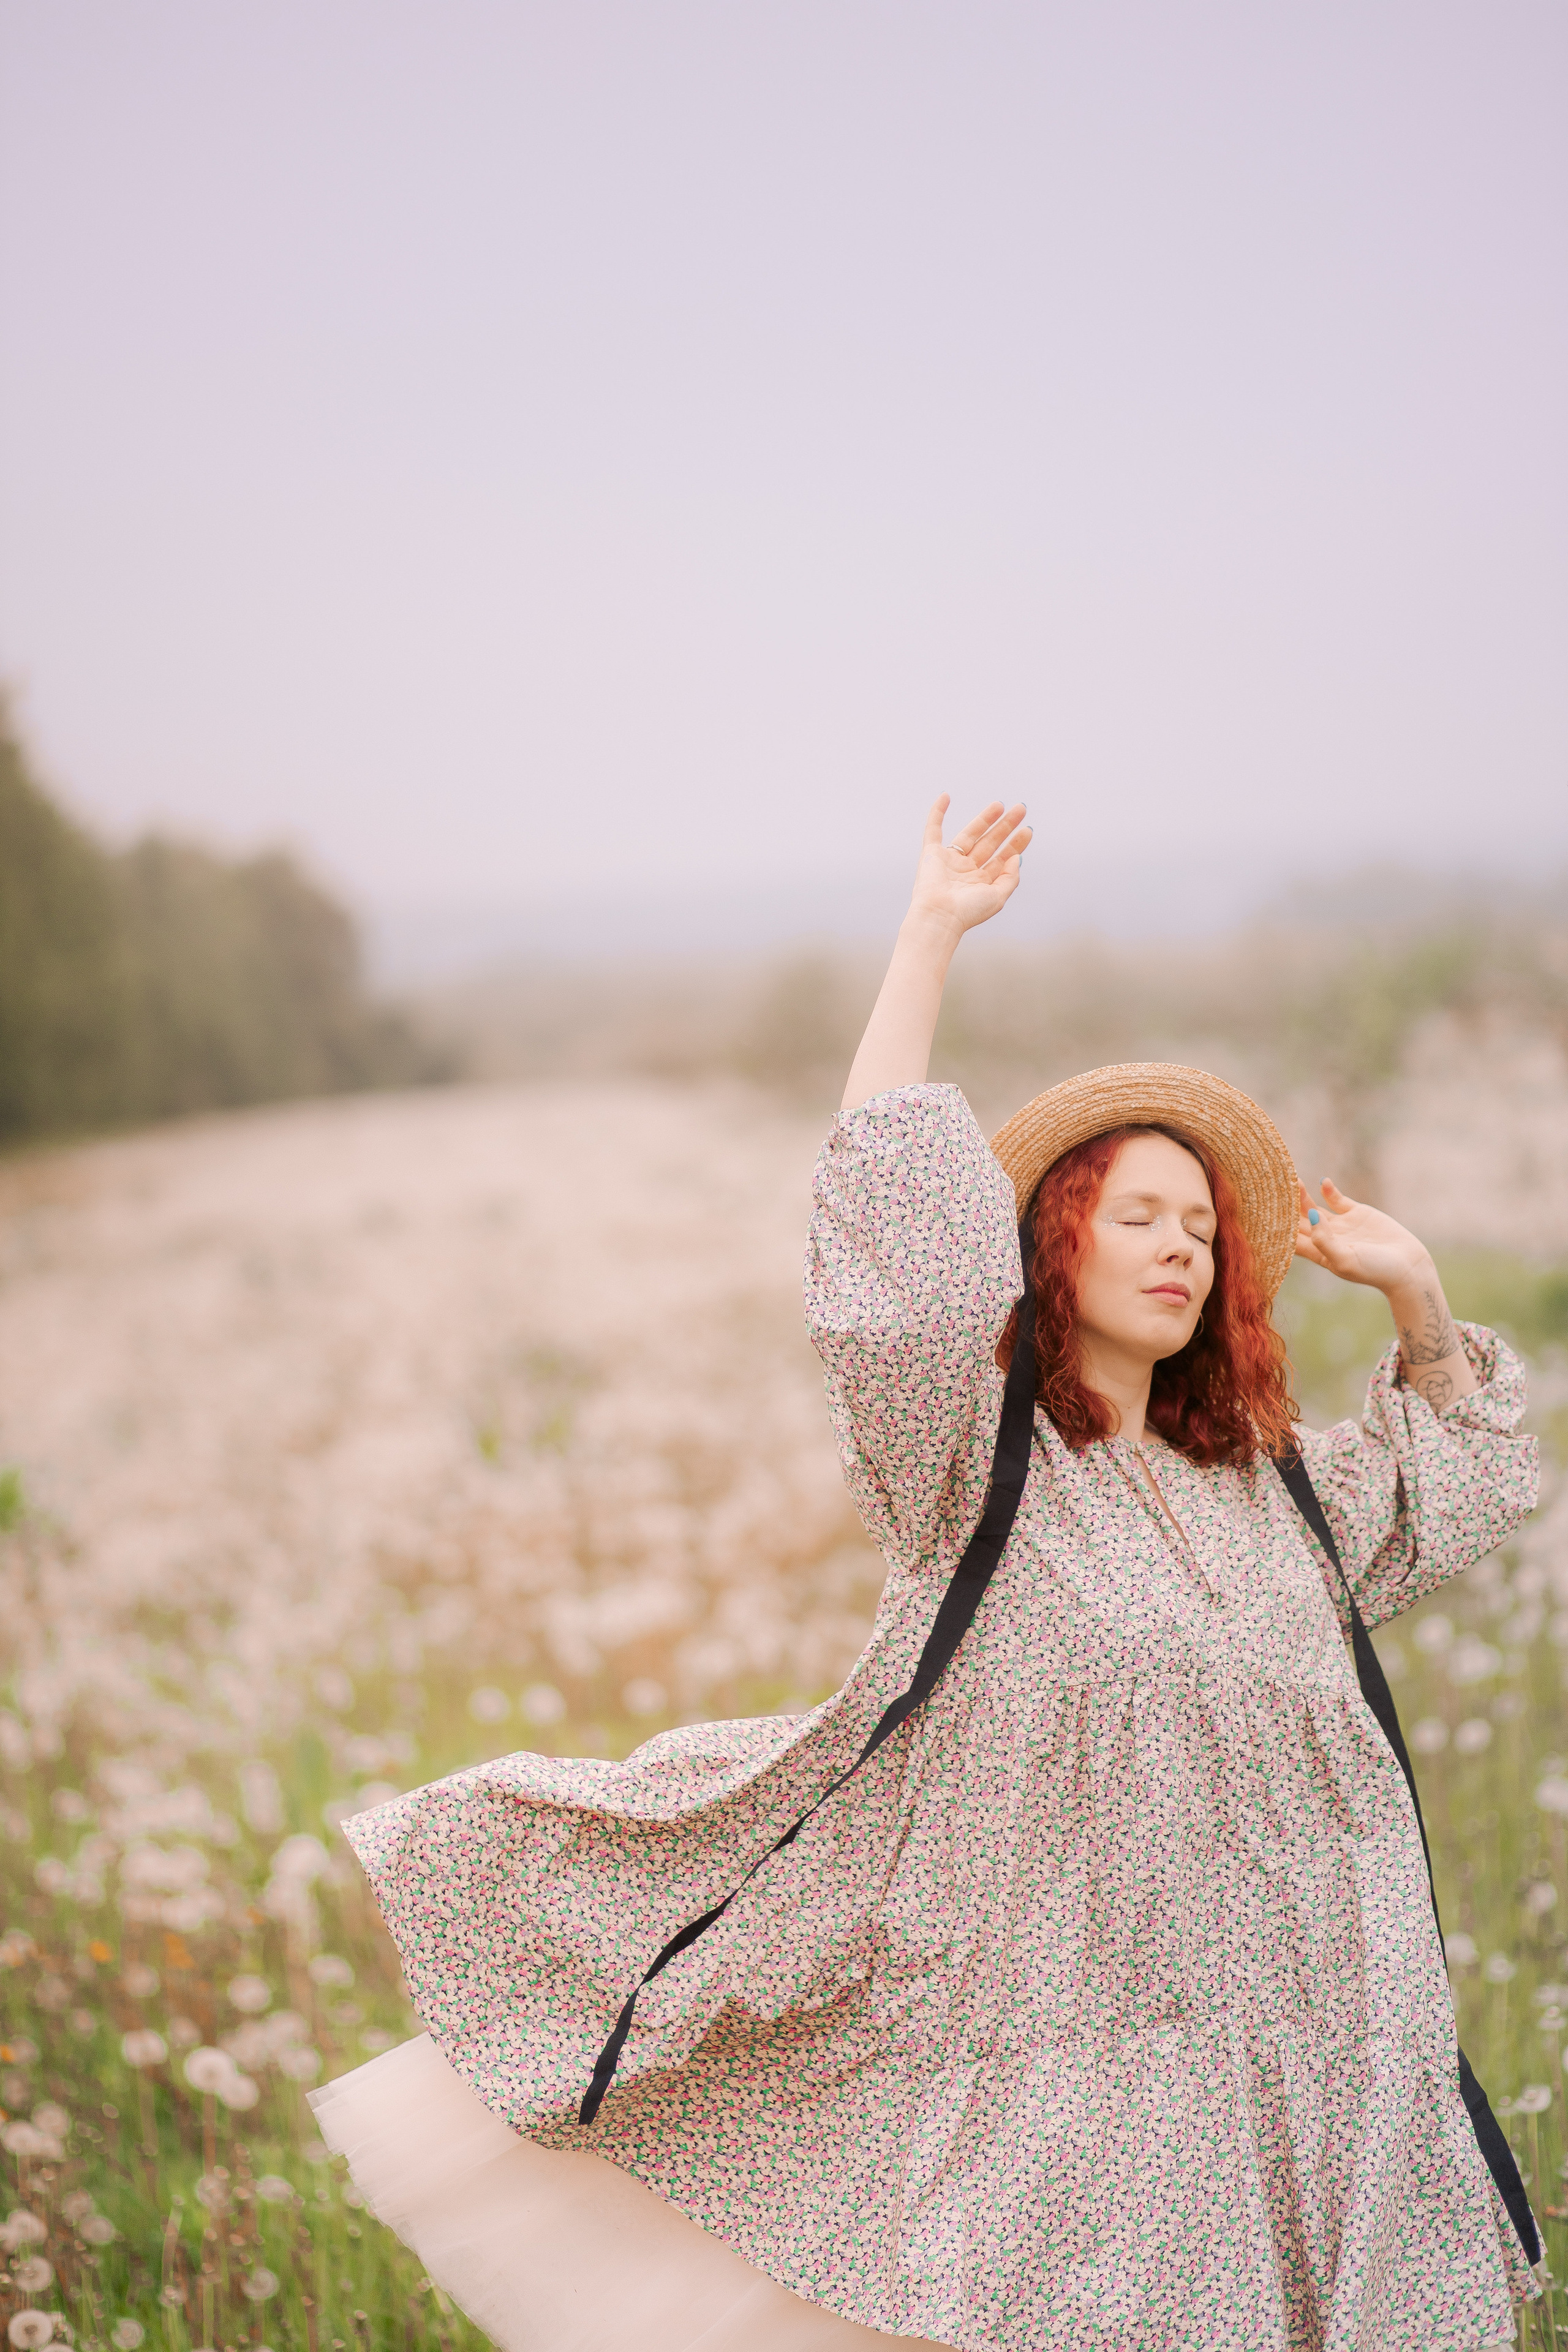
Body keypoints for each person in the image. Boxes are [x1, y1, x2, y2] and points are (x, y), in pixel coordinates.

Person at [313, 800, 1541, 2351]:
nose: (1178, 1247)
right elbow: (891, 1265)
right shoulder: (976, 1462)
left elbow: (1459, 1486)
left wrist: (1417, 1295)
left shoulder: (1267, 1490)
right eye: (1135, 1216)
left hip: (1313, 2058)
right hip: (1081, 2067)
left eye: (1199, 1228)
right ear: (1052, 1244)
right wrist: (927, 938)